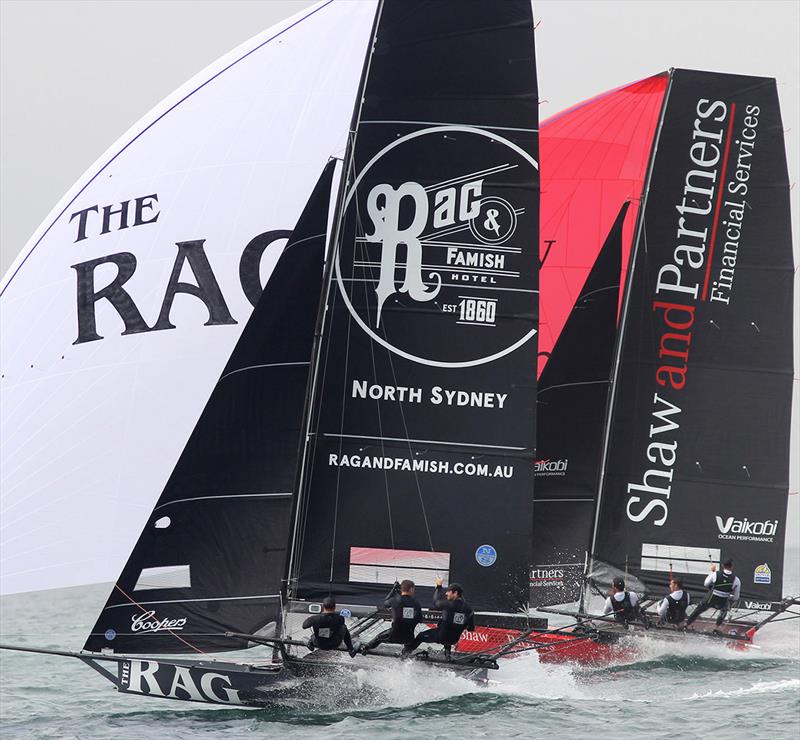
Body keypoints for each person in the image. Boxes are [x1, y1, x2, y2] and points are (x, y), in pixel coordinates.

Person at [404, 578, 475, 660]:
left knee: (421, 636)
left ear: (455, 593)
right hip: (453, 640)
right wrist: (460, 623)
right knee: (449, 627)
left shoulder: (449, 604)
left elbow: (436, 603)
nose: (446, 593)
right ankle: (448, 655)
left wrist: (438, 586)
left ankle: (405, 653)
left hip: (441, 636)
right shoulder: (469, 609)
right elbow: (471, 628)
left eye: (448, 591)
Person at [361, 579, 423, 655]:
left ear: (401, 589)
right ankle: (405, 654)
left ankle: (365, 648)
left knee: (378, 638)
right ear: (411, 589)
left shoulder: (395, 600)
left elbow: (385, 603)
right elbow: (420, 620)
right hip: (408, 638)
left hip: (393, 636)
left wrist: (393, 590)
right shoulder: (417, 603)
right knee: (409, 642)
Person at [685, 559, 741, 628]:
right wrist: (728, 596)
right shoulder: (736, 580)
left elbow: (706, 584)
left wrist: (712, 572)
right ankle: (716, 628)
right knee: (725, 609)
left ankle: (687, 625)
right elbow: (736, 598)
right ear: (732, 567)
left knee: (698, 609)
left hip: (710, 599)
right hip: (722, 602)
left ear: (722, 566)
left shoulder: (715, 574)